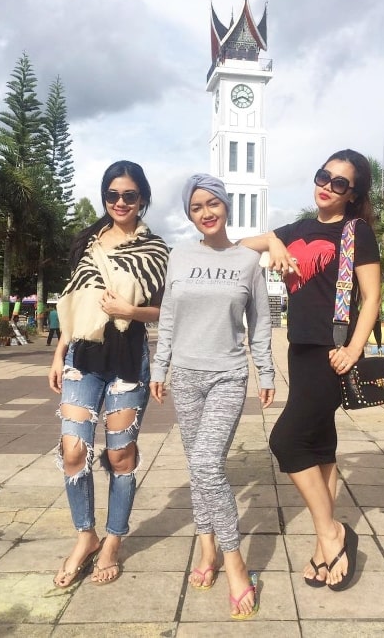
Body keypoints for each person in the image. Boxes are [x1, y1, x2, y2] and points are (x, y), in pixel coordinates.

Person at [241, 149, 381, 591]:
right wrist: (275, 242)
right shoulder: (298, 228)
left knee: (287, 440)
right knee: (320, 445)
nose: (328, 186)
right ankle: (325, 548)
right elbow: (242, 246)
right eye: (324, 176)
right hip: (299, 349)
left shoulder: (355, 231)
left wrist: (354, 349)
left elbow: (371, 297)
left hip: (332, 350)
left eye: (340, 182)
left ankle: (330, 533)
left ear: (353, 194)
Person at [149, 174, 275, 619]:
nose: (206, 212)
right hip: (184, 374)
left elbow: (259, 323)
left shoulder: (247, 261)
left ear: (226, 206)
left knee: (205, 464)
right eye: (197, 206)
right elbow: (167, 316)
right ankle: (207, 550)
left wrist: (266, 370)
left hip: (227, 375)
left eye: (213, 203)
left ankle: (235, 561)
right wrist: (159, 365)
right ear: (190, 213)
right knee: (199, 467)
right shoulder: (179, 257)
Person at [48, 160, 168, 588]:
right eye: (113, 195)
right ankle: (86, 535)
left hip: (128, 362)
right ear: (105, 198)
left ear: (142, 199)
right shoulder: (87, 244)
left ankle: (114, 540)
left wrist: (130, 311)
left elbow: (168, 311)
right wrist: (59, 353)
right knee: (73, 450)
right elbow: (74, 303)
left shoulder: (156, 250)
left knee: (120, 456)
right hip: (83, 357)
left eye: (129, 195)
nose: (120, 202)